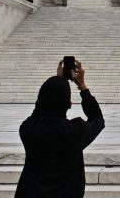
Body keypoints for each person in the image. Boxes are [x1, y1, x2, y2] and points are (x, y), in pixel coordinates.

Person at [15, 58, 104, 198]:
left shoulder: (28, 128)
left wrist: (58, 81)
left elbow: (40, 109)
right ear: (69, 104)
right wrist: (82, 87)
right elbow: (97, 119)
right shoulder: (75, 131)